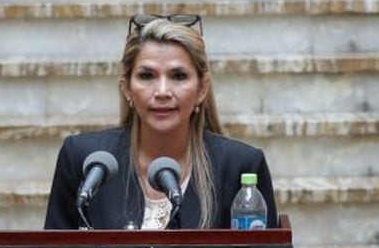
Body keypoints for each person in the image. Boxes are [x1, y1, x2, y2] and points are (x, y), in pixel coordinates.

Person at [45, 15, 277, 230]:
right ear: (126, 87)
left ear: (202, 89)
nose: (163, 91)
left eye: (178, 76)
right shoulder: (84, 159)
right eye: (147, 76)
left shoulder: (240, 166)